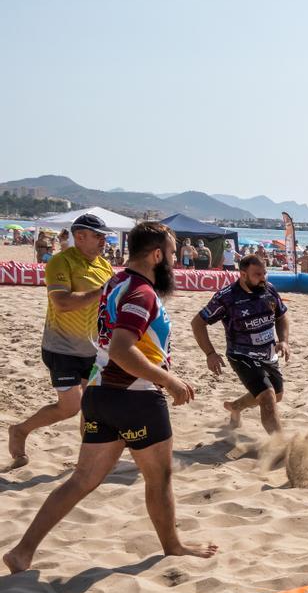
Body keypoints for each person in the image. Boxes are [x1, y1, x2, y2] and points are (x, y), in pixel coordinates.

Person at [4, 222, 218, 574]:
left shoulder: (115, 282)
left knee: (82, 480)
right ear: (157, 255)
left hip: (100, 395)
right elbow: (121, 348)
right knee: (159, 478)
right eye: (173, 252)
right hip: (136, 398)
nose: (176, 259)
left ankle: (23, 551)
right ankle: (174, 546)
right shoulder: (141, 292)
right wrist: (170, 380)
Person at [7, 214, 114, 468]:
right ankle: (20, 430)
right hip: (61, 347)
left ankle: (86, 461)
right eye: (98, 236)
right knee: (70, 408)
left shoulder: (105, 266)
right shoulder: (60, 262)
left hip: (92, 348)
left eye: (104, 236)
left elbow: (107, 306)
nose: (104, 241)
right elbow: (63, 303)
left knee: (92, 407)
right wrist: (101, 292)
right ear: (80, 236)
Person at [191, 254, 291, 434]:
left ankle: (236, 406)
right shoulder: (227, 297)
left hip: (268, 354)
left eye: (265, 273)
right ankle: (280, 446)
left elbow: (281, 317)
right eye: (257, 274)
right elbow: (197, 323)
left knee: (277, 395)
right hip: (241, 355)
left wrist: (283, 340)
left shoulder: (269, 290)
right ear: (243, 275)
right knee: (267, 396)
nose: (263, 279)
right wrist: (210, 353)